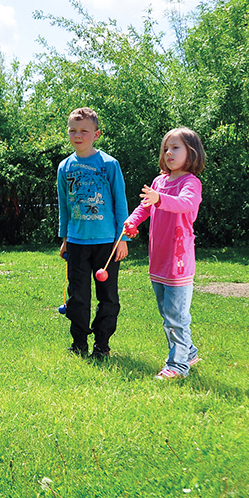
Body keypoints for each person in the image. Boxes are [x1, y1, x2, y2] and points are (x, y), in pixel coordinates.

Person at [123, 127, 206, 379]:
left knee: (176, 317)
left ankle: (178, 366)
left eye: (176, 147)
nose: (169, 152)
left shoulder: (190, 183)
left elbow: (186, 204)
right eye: (166, 148)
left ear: (191, 152)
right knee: (167, 313)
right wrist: (131, 222)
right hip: (158, 261)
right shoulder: (159, 182)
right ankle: (188, 352)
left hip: (178, 262)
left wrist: (159, 199)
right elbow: (144, 206)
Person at [57, 107, 129, 358]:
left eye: (84, 131)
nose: (78, 135)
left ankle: (102, 345)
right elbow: (64, 207)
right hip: (76, 242)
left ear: (96, 134)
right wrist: (65, 238)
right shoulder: (64, 167)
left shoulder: (109, 164)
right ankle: (79, 344)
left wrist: (123, 239)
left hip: (107, 243)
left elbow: (121, 204)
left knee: (108, 296)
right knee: (77, 297)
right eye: (73, 131)